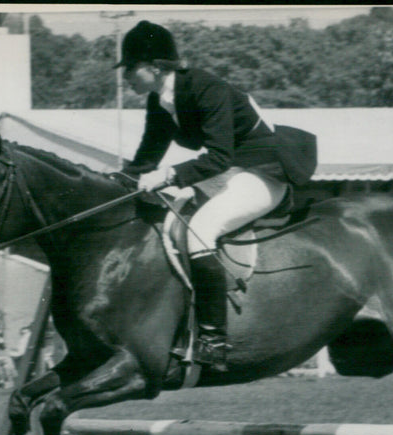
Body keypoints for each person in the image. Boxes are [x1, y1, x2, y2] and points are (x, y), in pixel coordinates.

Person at [117, 20, 317, 370]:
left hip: (263, 171)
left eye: (130, 68)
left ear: (155, 66)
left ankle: (213, 338)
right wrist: (114, 182)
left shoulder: (206, 88)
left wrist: (168, 175)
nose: (126, 77)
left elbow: (219, 156)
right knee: (170, 220)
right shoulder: (159, 101)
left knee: (200, 231)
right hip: (228, 174)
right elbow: (146, 158)